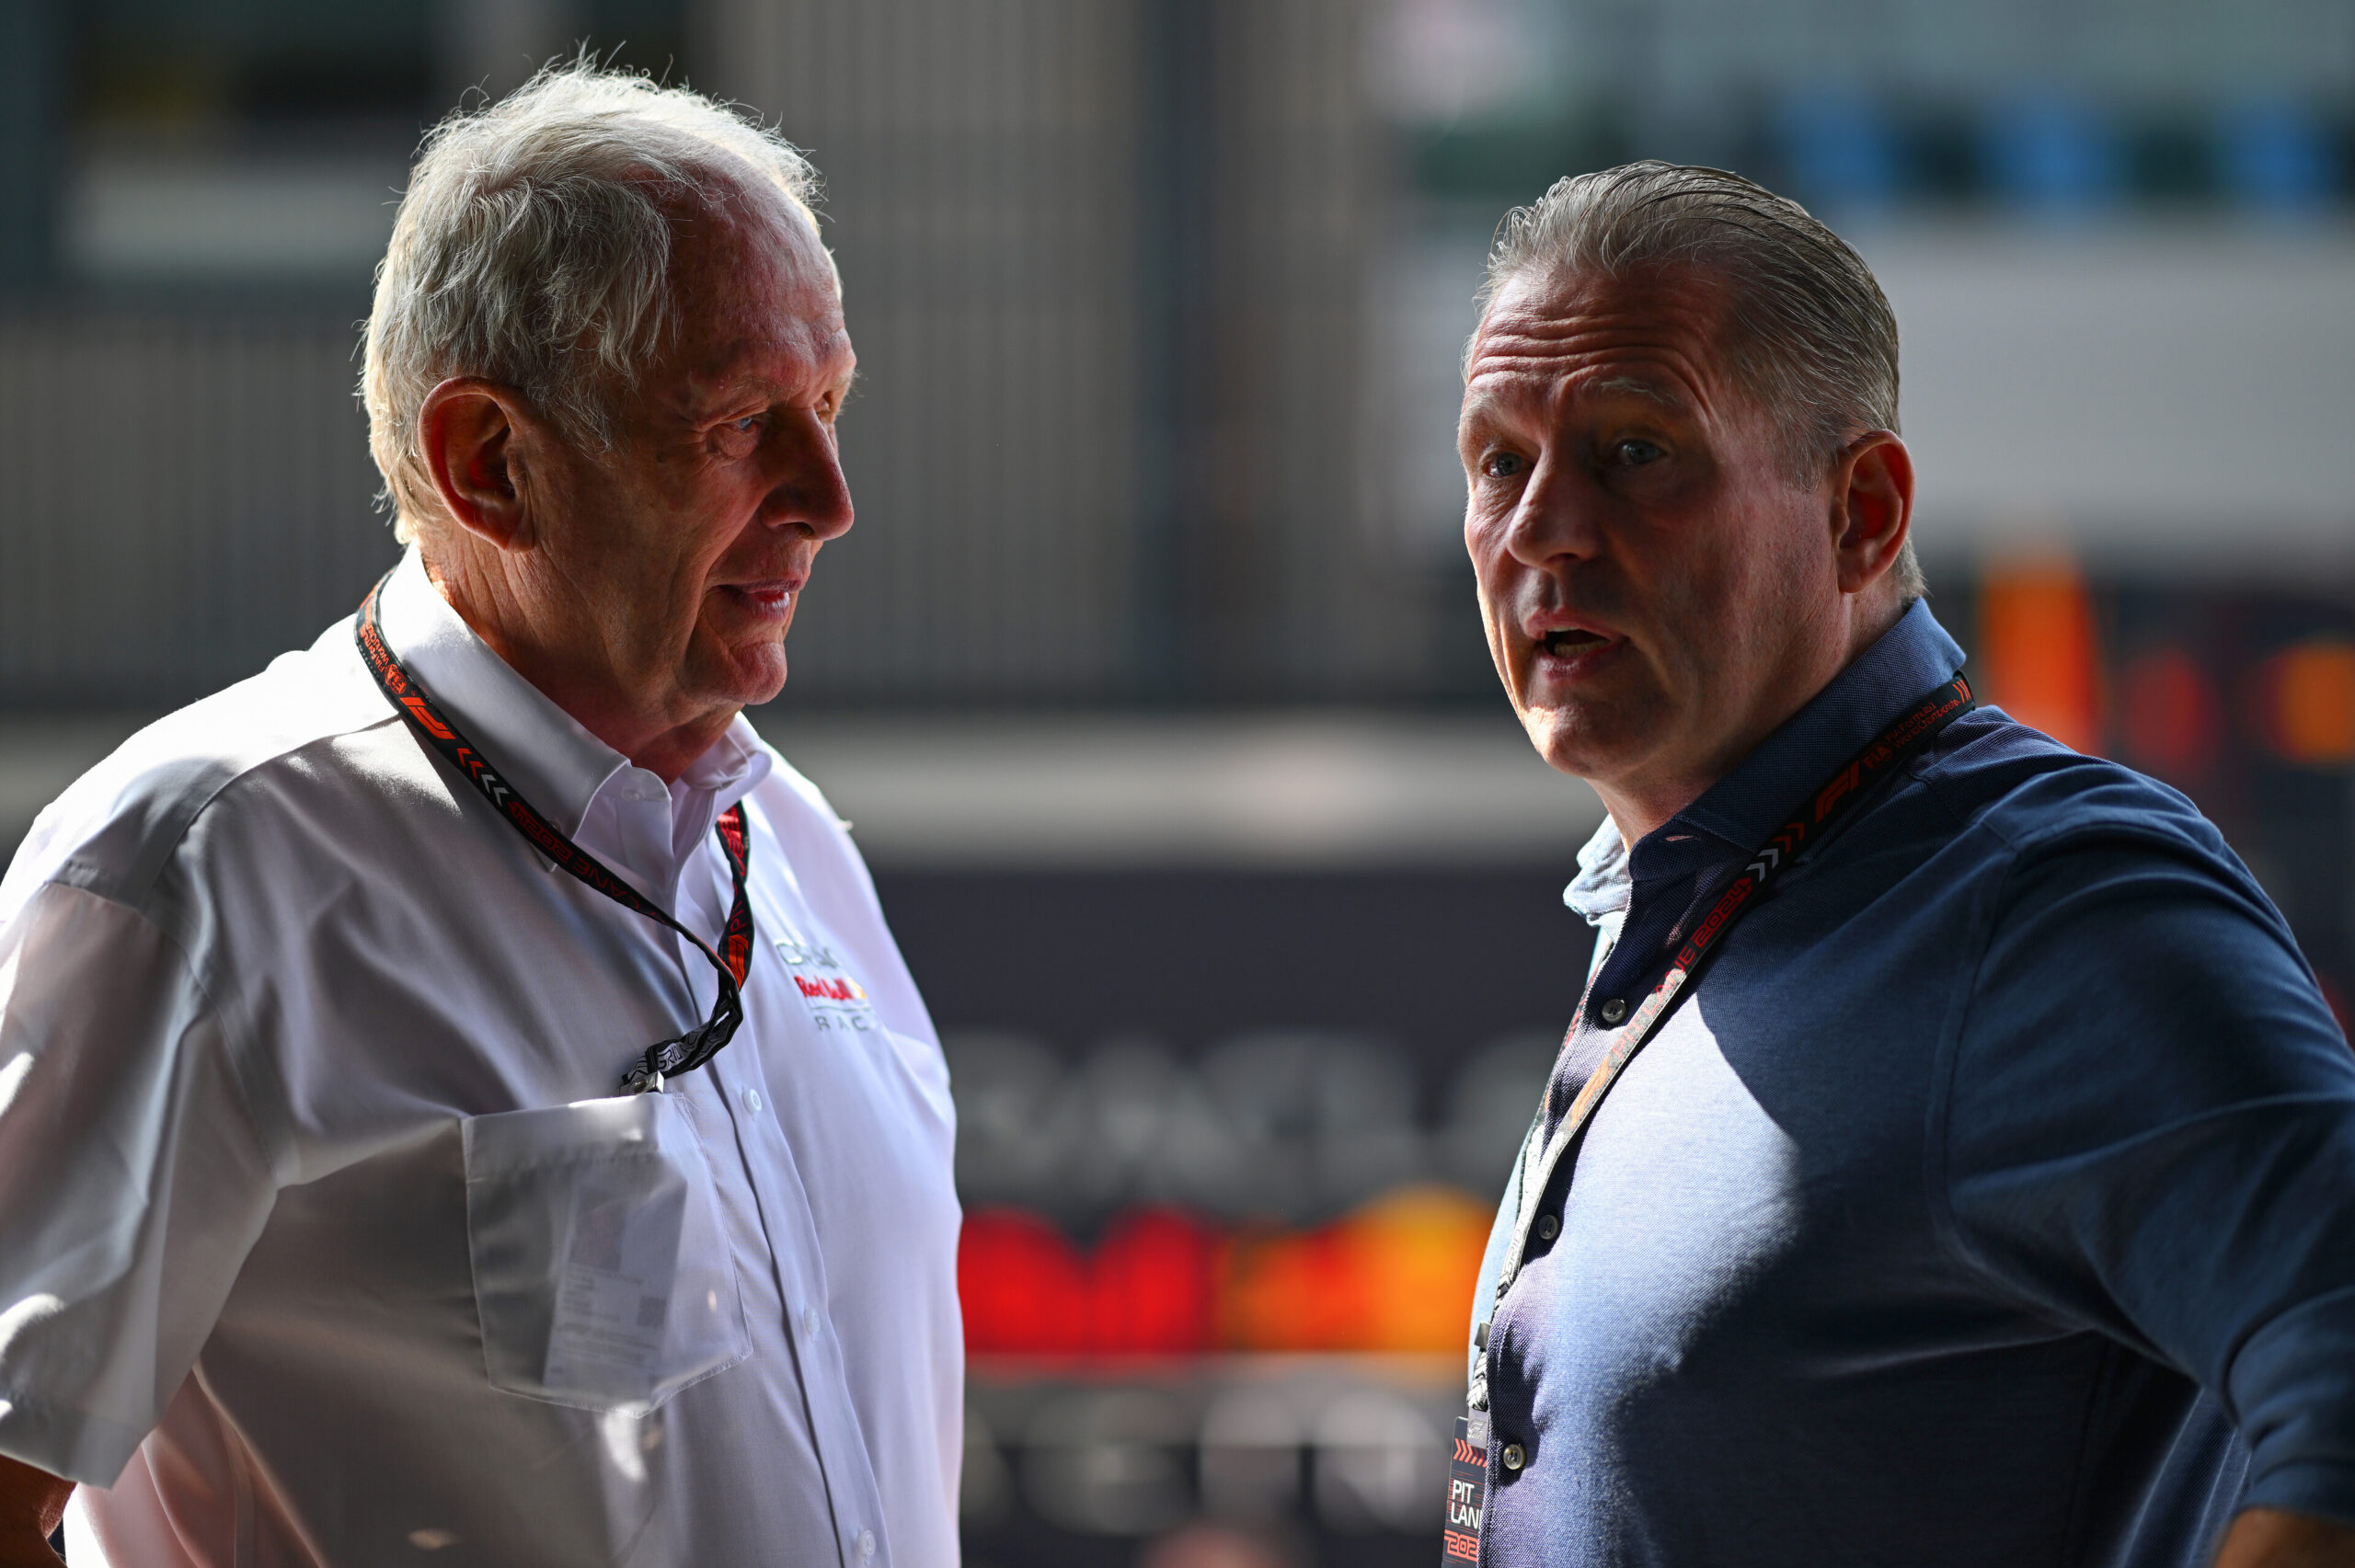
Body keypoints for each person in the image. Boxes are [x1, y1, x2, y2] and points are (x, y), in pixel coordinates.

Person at [0, 65, 961, 1567]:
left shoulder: (798, 852)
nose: (828, 495)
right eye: (739, 424)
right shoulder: (197, 870)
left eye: (830, 404)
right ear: (489, 464)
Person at [1451, 161, 2355, 1568]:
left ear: (1861, 513)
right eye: (1501, 462)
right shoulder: (1696, 905)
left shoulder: (2047, 898)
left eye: (1635, 449)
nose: (1540, 529)